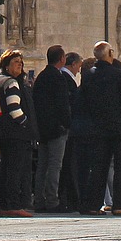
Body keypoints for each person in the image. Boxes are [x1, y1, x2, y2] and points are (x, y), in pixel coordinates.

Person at [76, 41, 121, 216]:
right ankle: (120, 205)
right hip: (119, 128)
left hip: (97, 128)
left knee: (99, 167)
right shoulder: (118, 75)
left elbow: (81, 103)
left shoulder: (88, 76)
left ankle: (92, 205)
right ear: (110, 54)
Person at [0, 48, 36, 216]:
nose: (20, 66)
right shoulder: (11, 83)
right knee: (15, 170)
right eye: (16, 63)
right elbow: (14, 109)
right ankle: (13, 204)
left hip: (4, 133)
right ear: (6, 65)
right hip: (16, 134)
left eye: (21, 63)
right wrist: (26, 123)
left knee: (6, 168)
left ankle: (5, 204)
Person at [32, 45, 72, 212]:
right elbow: (63, 104)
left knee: (42, 165)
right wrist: (67, 124)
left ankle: (39, 199)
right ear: (62, 59)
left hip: (42, 129)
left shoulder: (41, 77)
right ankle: (52, 200)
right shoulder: (58, 77)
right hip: (56, 129)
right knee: (55, 165)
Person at [58, 51, 83, 212]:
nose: (79, 70)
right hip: (68, 130)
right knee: (67, 165)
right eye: (78, 66)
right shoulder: (66, 80)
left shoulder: (63, 78)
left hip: (64, 129)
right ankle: (68, 199)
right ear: (72, 64)